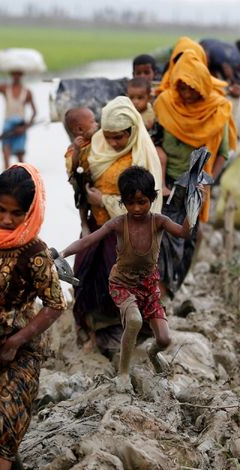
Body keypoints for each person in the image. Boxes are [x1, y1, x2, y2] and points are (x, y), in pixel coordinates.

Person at [0, 163, 66, 470]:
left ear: (30, 212)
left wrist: (16, 341)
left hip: (20, 347)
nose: (6, 219)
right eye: (1, 209)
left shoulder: (34, 252)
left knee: (3, 419)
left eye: (16, 213)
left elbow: (55, 304)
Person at [59, 167, 193, 390]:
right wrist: (62, 253)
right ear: (123, 202)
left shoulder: (159, 222)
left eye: (142, 201)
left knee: (164, 340)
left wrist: (193, 208)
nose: (137, 208)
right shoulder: (119, 224)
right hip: (122, 283)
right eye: (130, 203)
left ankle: (153, 354)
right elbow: (87, 240)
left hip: (148, 286)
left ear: (152, 198)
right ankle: (122, 373)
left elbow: (185, 233)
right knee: (134, 320)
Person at [71, 96, 163, 356]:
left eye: (119, 138)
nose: (112, 143)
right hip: (97, 223)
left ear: (132, 132)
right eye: (108, 136)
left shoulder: (142, 156)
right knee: (85, 276)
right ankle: (93, 331)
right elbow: (80, 173)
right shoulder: (96, 145)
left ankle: (125, 331)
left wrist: (105, 199)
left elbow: (143, 203)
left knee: (119, 278)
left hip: (126, 230)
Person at [153, 53, 237, 297]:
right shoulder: (166, 103)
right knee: (164, 241)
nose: (187, 94)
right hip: (166, 186)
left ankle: (171, 289)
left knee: (186, 240)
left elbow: (223, 153)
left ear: (202, 85)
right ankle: (158, 297)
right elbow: (153, 141)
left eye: (192, 88)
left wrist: (207, 183)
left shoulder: (216, 110)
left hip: (195, 189)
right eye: (182, 87)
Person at [0, 69, 37, 169]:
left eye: (18, 74)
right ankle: (6, 178)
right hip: (7, 126)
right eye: (14, 74)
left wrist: (25, 127)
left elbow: (34, 113)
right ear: (11, 75)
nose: (16, 77)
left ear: (21, 75)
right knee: (6, 154)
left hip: (20, 126)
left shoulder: (27, 92)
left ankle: (23, 180)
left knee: (20, 157)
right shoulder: (5, 88)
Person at [63, 107, 99, 236]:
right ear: (79, 129)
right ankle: (83, 223)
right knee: (82, 199)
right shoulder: (75, 147)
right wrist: (77, 151)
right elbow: (73, 166)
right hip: (79, 177)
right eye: (93, 122)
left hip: (92, 174)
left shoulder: (96, 138)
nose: (97, 124)